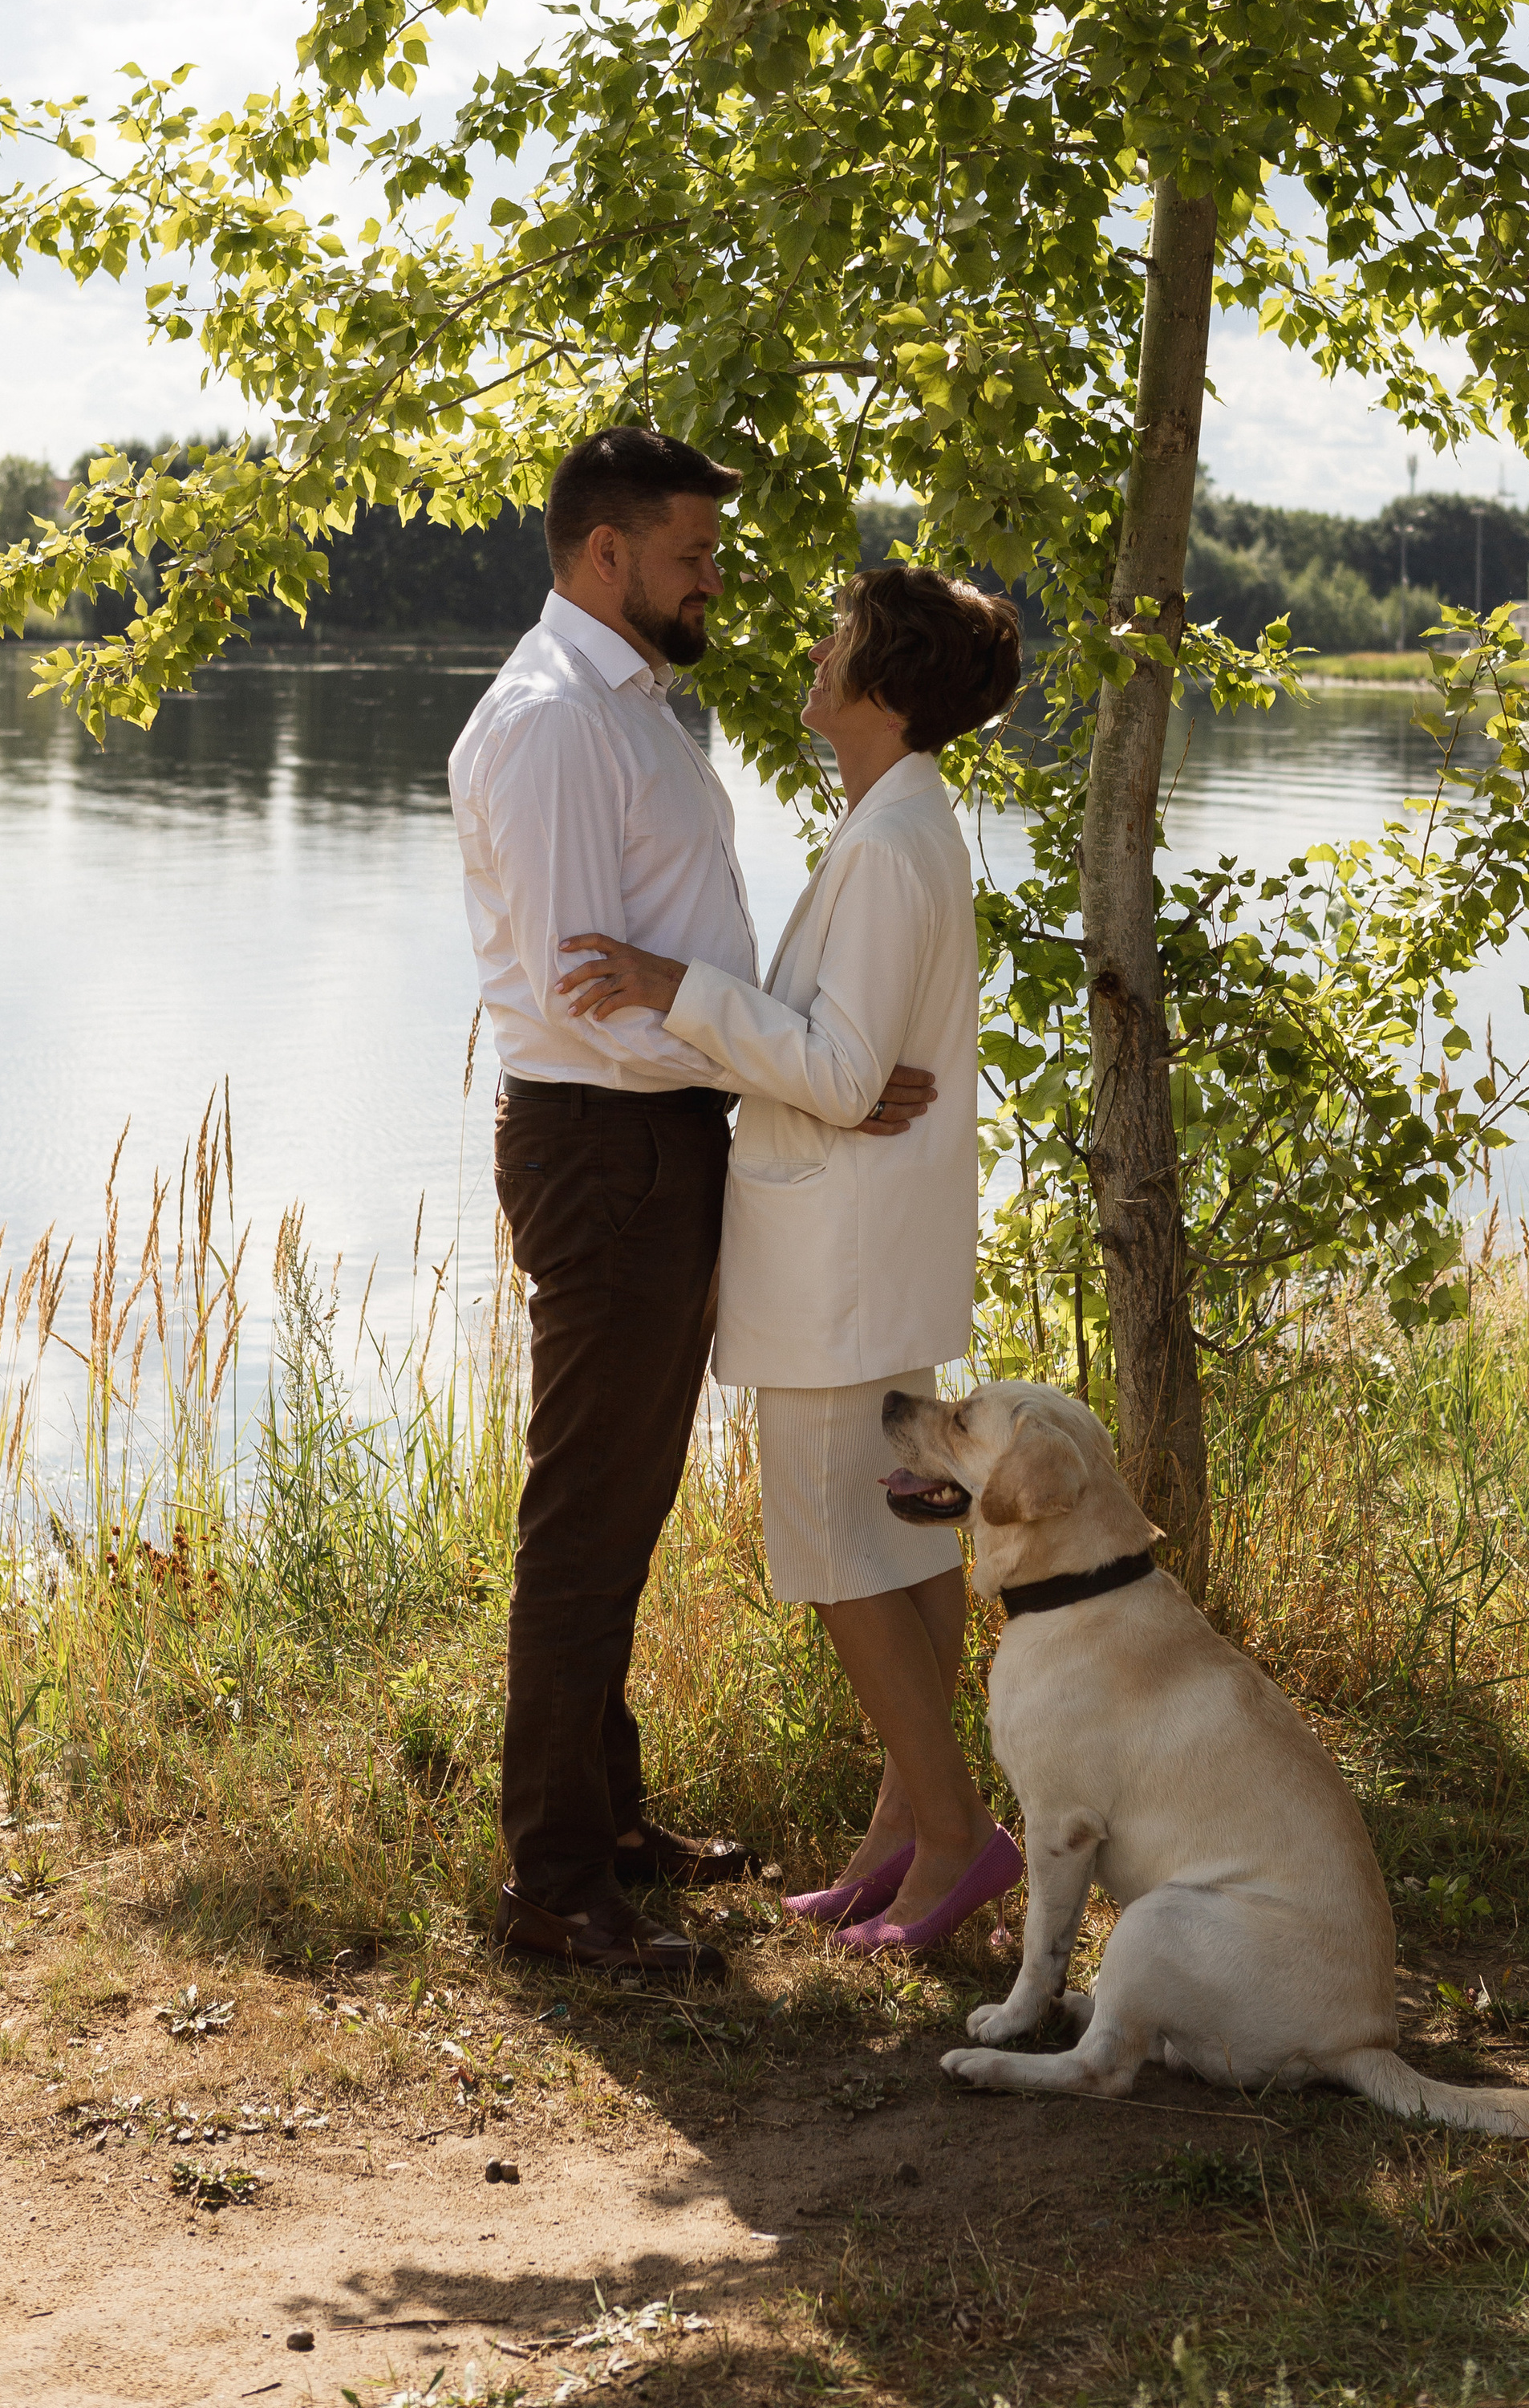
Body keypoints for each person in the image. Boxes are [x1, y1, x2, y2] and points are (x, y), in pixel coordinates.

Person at [448, 428, 938, 1981]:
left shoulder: (642, 708)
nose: (715, 576)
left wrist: (792, 1067)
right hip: (605, 1146)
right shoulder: (545, 727)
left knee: (628, 1499)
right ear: (604, 557)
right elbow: (583, 994)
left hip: (668, 1146)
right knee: (586, 1512)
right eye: (690, 554)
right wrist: (803, 1074)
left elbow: (665, 971)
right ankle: (553, 1885)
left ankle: (607, 1820)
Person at [556, 563, 1026, 1955]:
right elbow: (850, 1060)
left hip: (841, 1271)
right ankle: (905, 1831)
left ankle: (956, 1841)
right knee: (902, 1540)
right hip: (871, 1250)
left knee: (842, 1559)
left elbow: (837, 1066)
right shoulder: (901, 823)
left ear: (883, 682)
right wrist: (824, 1062)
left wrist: (673, 991)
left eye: (839, 640)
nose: (815, 657)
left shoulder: (889, 848)